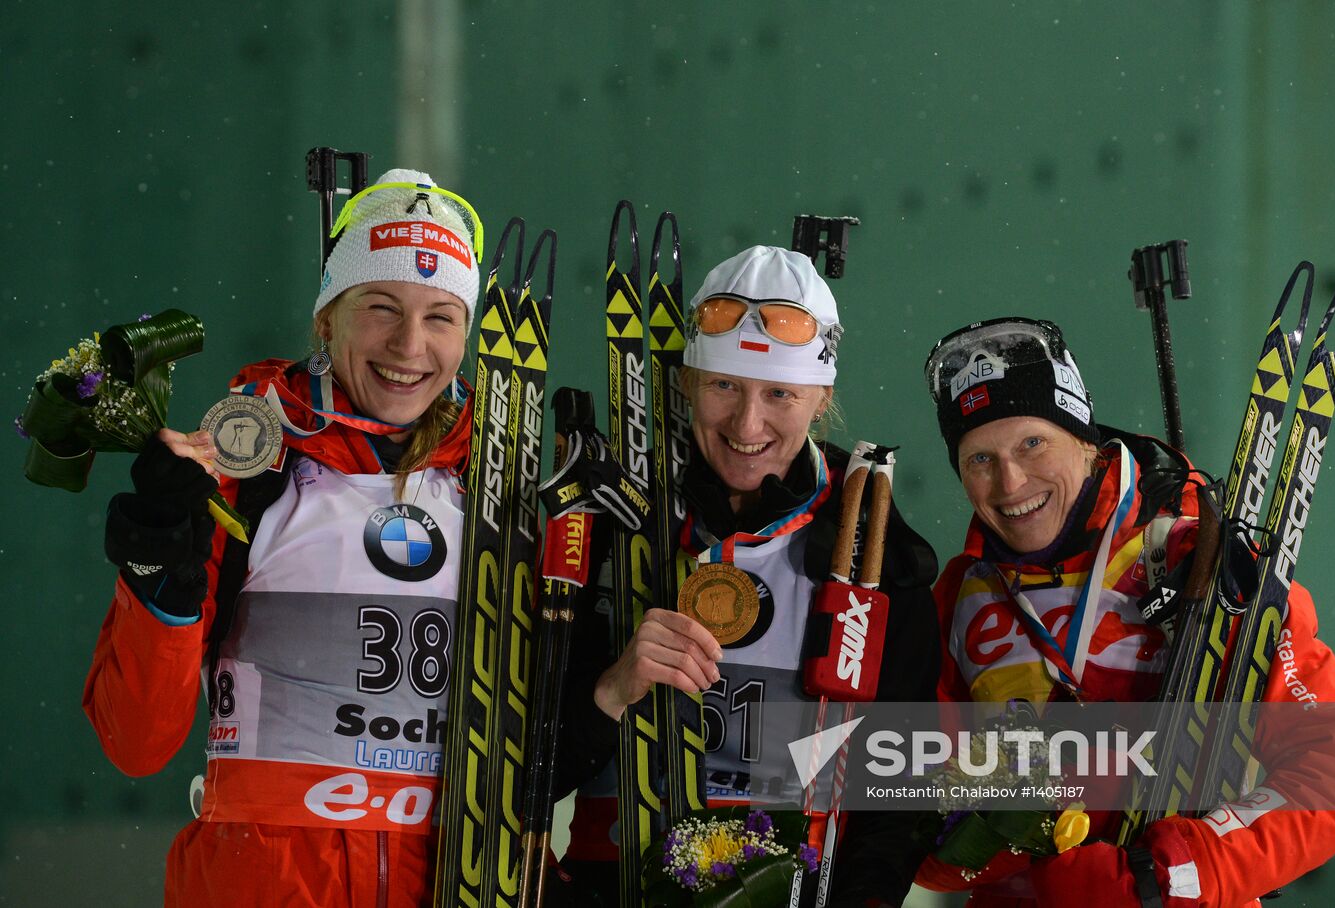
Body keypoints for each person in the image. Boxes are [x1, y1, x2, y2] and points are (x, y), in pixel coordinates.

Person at [84, 169, 481, 906]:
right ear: (327, 318)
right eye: (381, 308)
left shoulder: (500, 488)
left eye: (441, 317)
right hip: (265, 884)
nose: (409, 345)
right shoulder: (248, 467)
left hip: (452, 882)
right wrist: (155, 567)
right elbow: (135, 743)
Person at [913, 317, 1335, 907]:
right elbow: (926, 850)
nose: (1009, 481)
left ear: (1084, 438)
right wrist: (996, 824)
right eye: (979, 458)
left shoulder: (1196, 561)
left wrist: (1165, 876)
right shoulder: (960, 598)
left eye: (1033, 443)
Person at [551, 246, 942, 907]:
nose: (747, 424)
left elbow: (897, 796)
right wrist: (613, 689)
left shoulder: (872, 543)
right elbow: (517, 774)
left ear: (821, 400)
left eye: (780, 394)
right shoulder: (612, 515)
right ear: (685, 383)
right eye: (724, 385)